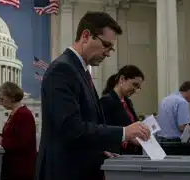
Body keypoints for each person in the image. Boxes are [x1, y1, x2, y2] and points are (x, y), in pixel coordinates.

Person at [35, 11, 150, 180]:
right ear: (86, 36)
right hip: (64, 171)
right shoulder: (62, 70)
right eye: (106, 45)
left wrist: (99, 150)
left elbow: (87, 123)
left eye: (111, 48)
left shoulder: (81, 70)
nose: (108, 53)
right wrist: (124, 132)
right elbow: (71, 128)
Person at [0, 82, 37, 180]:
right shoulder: (15, 113)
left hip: (20, 169)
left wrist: (0, 140)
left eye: (2, 99)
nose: (0, 102)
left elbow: (21, 144)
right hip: (12, 167)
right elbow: (10, 137)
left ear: (12, 97)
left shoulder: (23, 114)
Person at [100, 65, 144, 155]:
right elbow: (104, 130)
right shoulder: (106, 101)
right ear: (122, 79)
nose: (135, 90)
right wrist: (128, 137)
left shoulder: (128, 102)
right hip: (116, 152)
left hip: (132, 153)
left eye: (138, 87)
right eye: (134, 85)